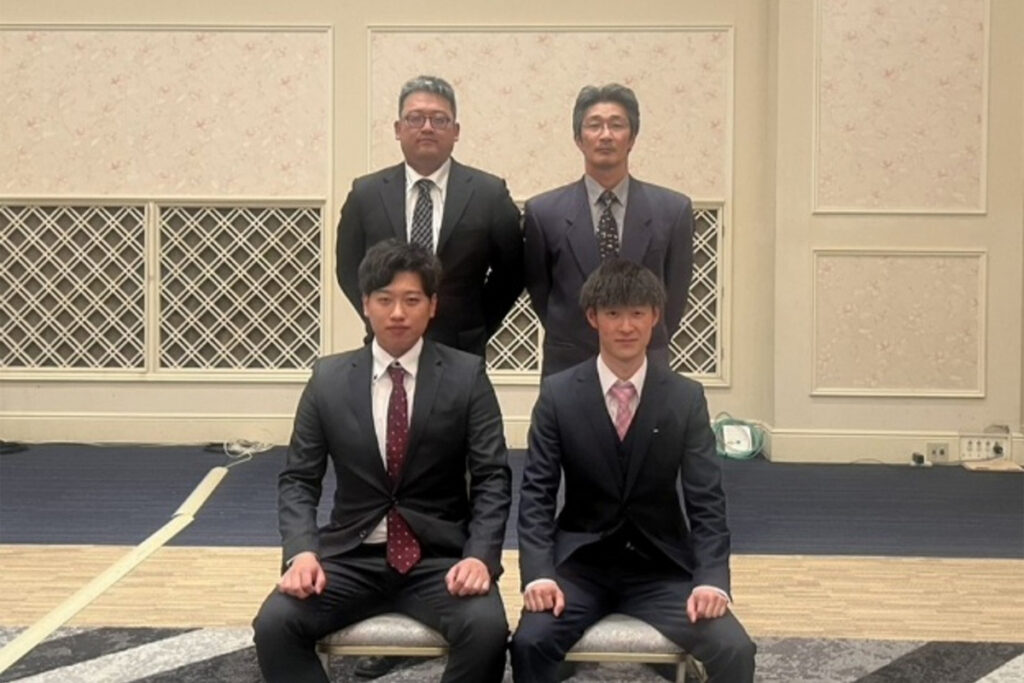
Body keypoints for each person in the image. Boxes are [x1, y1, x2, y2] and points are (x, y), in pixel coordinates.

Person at [253, 240, 512, 683]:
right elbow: (298, 479)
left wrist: (479, 557)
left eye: (412, 300)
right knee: (275, 625)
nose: (397, 313)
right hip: (350, 557)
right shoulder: (328, 379)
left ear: (432, 306)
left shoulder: (467, 376)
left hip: (438, 560)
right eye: (385, 299)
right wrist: (301, 552)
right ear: (365, 304)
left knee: (487, 630)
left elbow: (492, 478)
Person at [511, 259, 755, 682]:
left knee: (734, 649)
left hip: (661, 568)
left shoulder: (684, 398)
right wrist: (538, 575)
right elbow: (536, 496)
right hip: (580, 567)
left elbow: (706, 502)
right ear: (593, 318)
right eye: (613, 313)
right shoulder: (558, 395)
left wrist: (711, 580)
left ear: (655, 316)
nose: (626, 327)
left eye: (638, 313)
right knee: (529, 642)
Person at [336, 75, 524, 358]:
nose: (427, 128)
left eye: (439, 120)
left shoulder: (489, 194)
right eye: (415, 119)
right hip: (387, 346)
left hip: (461, 349)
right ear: (398, 129)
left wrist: (478, 325)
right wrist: (380, 314)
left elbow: (512, 272)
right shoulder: (366, 193)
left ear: (456, 131)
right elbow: (348, 268)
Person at [523, 83, 694, 376]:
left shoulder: (672, 210)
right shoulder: (543, 212)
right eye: (594, 125)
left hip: (644, 363)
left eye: (616, 125)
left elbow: (674, 296)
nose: (605, 135)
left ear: (632, 138)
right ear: (579, 139)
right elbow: (542, 292)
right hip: (569, 364)